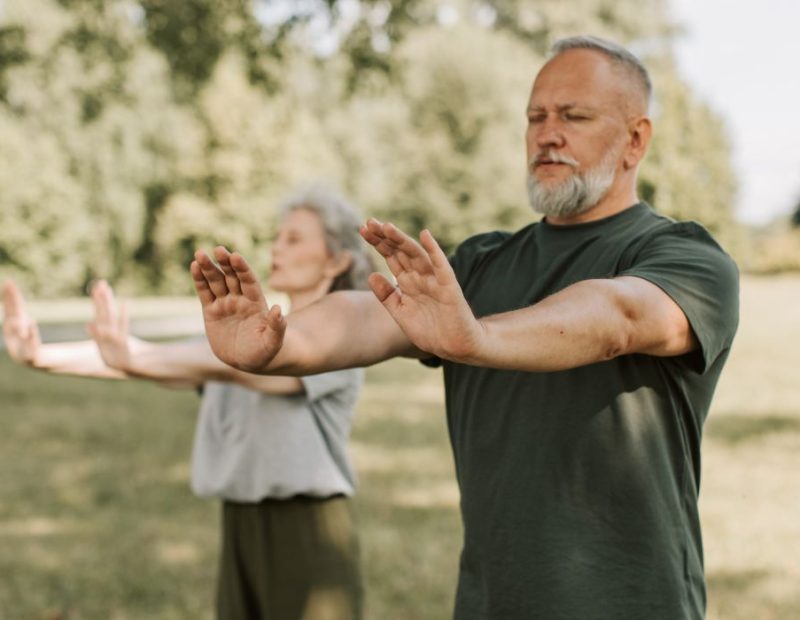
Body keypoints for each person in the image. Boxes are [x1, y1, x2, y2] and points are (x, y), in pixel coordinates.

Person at [189, 35, 739, 619]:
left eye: (574, 116)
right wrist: (280, 345)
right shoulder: (481, 264)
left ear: (636, 139)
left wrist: (479, 339)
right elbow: (368, 313)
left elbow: (620, 317)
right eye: (535, 117)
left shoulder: (686, 257)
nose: (547, 133)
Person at [2, 185, 373, 620]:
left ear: (337, 259)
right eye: (276, 237)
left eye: (294, 239)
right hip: (239, 521)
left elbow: (232, 367)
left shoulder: (342, 339)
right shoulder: (238, 338)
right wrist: (41, 355)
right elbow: (165, 360)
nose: (277, 247)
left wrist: (136, 354)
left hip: (307, 529)